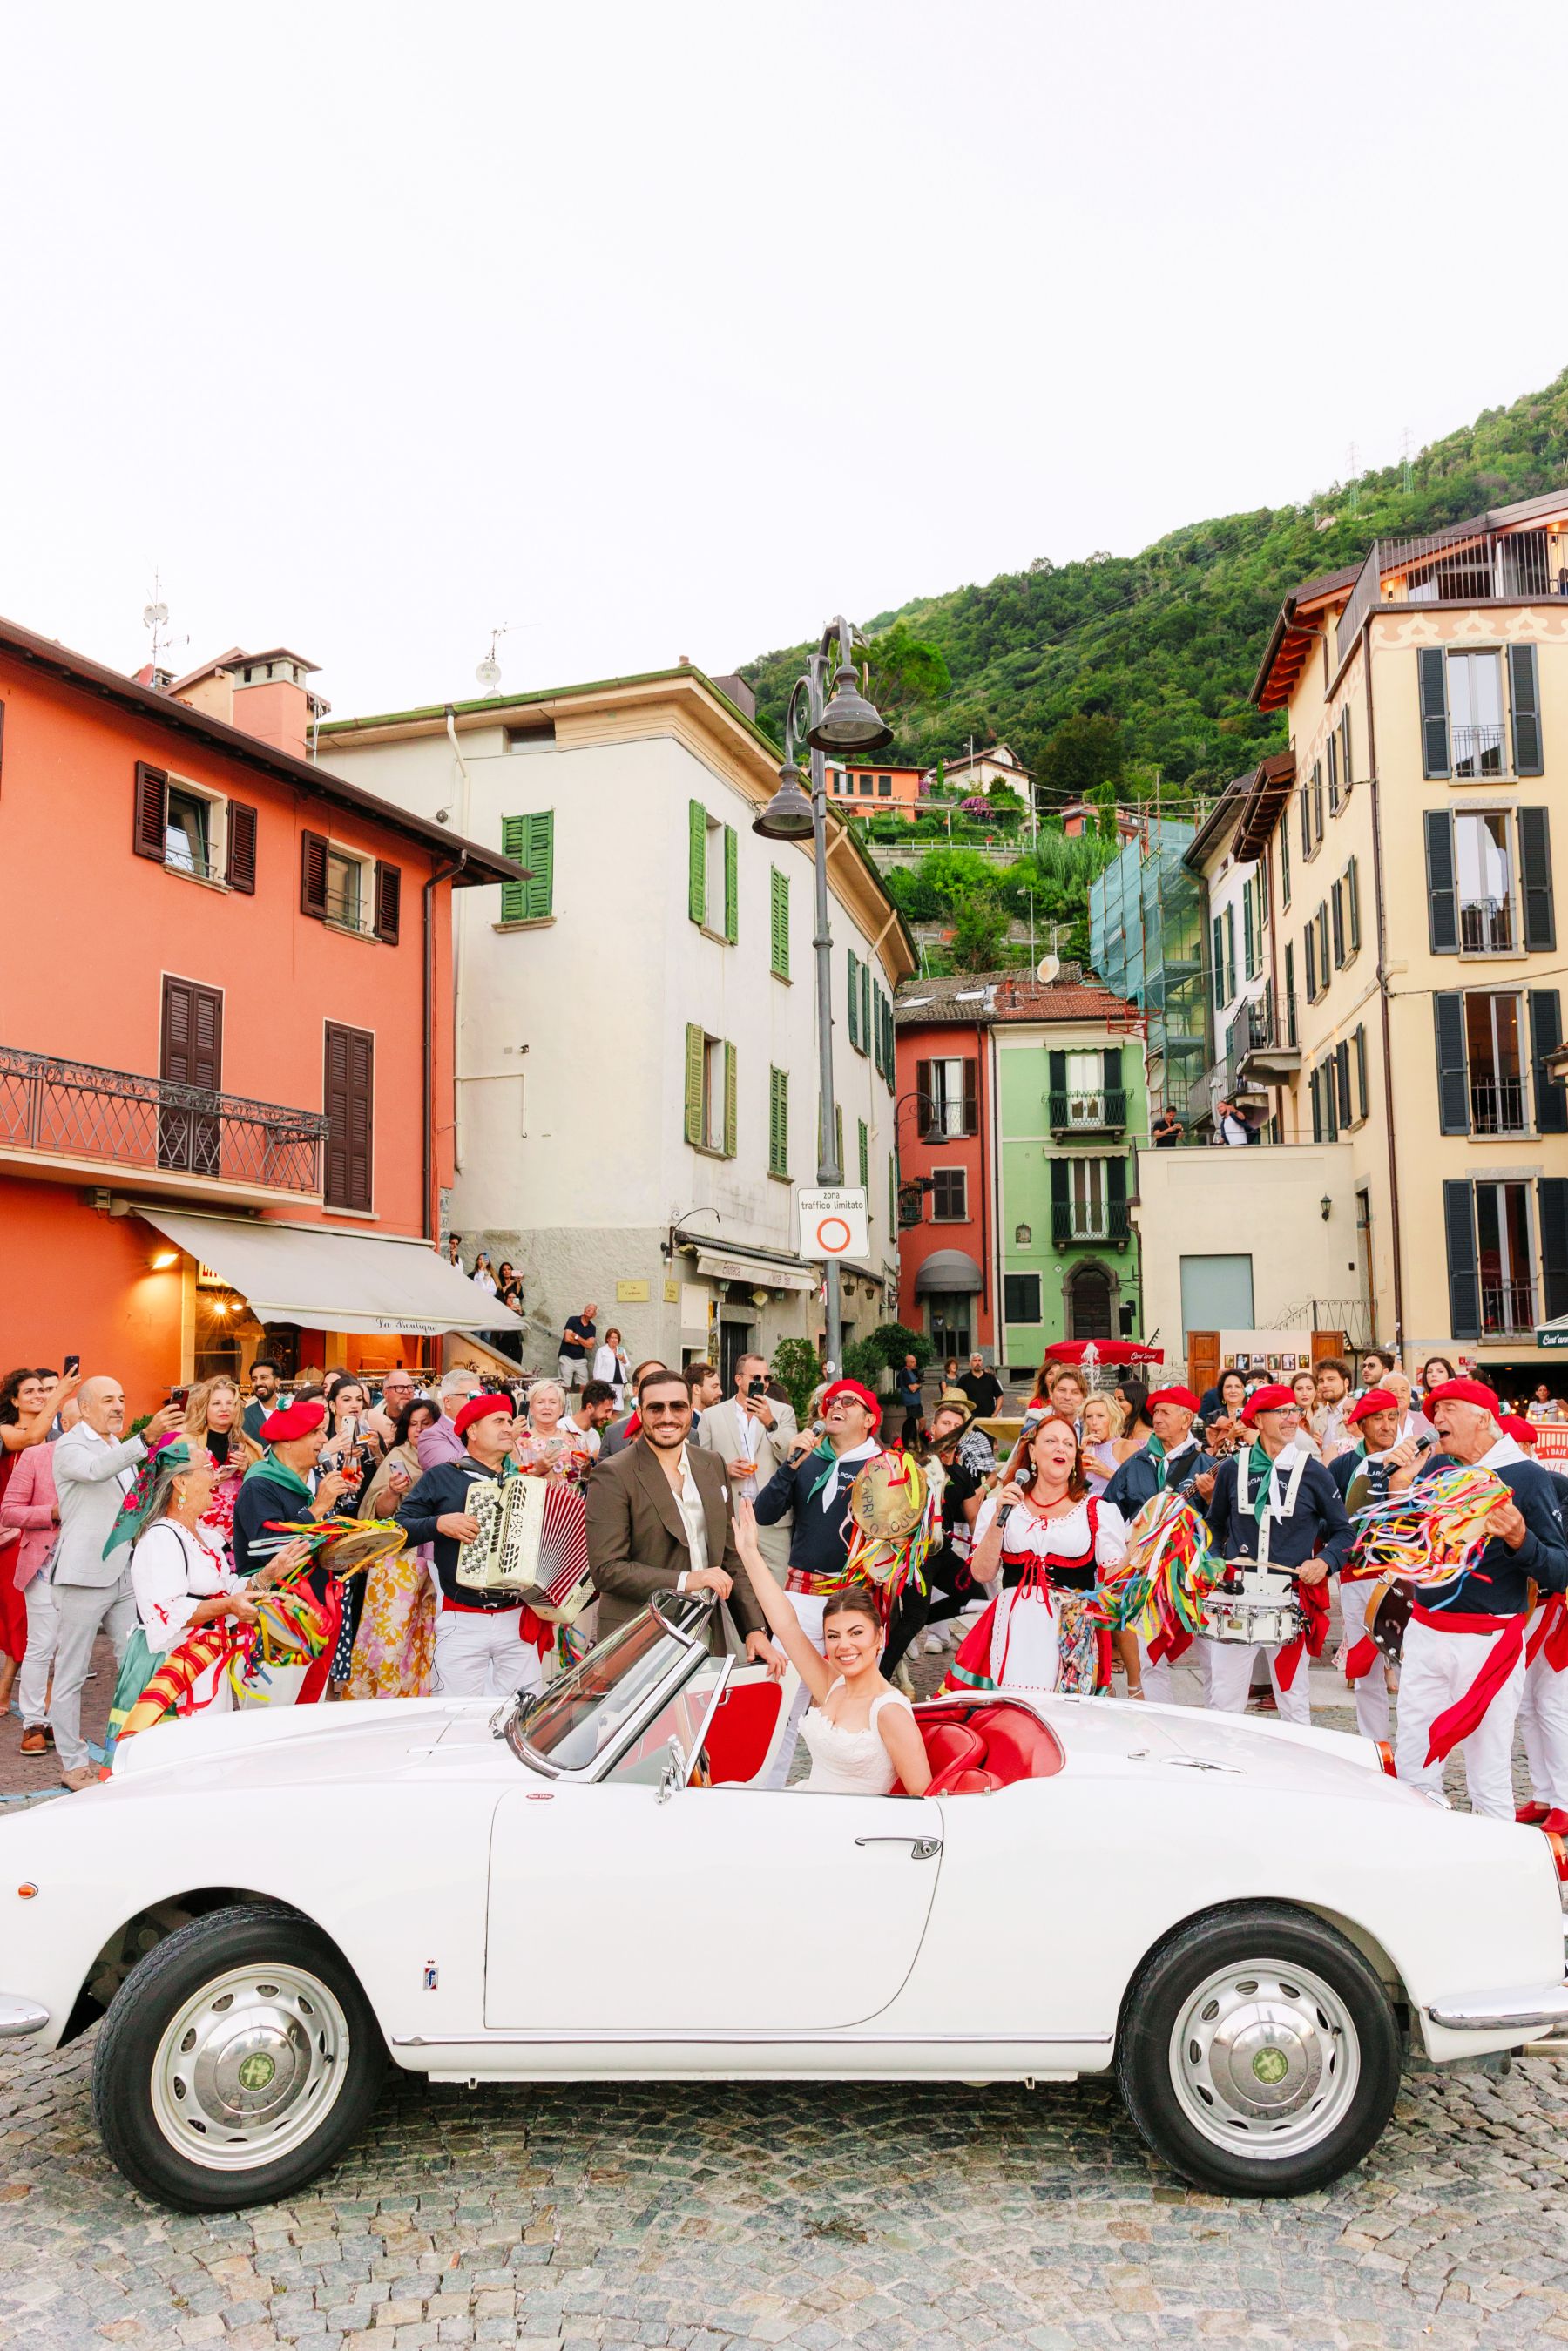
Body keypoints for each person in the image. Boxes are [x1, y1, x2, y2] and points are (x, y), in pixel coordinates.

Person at [1385, 1379, 1568, 1824]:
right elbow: (1405, 1548)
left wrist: (1520, 1539)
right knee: (1413, 1760)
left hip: (1488, 1642)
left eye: (1447, 1409)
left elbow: (1559, 1568)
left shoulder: (1527, 1476)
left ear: (1483, 1417)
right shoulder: (1435, 1470)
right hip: (1426, 1630)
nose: (1436, 1420)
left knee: (1487, 1772)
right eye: (1433, 1411)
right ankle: (1420, 1856)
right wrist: (1397, 1490)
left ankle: (1498, 1876)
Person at [730, 1501, 930, 1795]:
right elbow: (786, 1625)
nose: (844, 1645)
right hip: (810, 1806)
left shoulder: (889, 1711)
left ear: (879, 1637)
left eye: (856, 1633)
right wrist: (748, 1552)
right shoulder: (832, 1687)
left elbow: (923, 1798)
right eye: (833, 1636)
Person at [47, 1376, 186, 1789]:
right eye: (108, 1400)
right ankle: (73, 1763)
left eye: (122, 1399)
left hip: (124, 1573)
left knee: (137, 1661)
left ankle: (136, 1748)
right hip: (82, 1575)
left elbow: (131, 1500)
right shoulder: (72, 1446)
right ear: (84, 1407)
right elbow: (93, 1473)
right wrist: (146, 1439)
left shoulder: (117, 1446)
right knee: (71, 1673)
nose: (118, 1406)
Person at [585, 1368, 773, 1661]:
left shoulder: (711, 1464)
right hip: (639, 1636)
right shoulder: (612, 1474)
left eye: (678, 1407)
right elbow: (607, 1571)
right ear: (641, 1412)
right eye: (656, 1408)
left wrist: (753, 1628)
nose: (667, 1417)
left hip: (704, 1634)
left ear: (690, 1410)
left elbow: (730, 1556)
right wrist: (688, 1580)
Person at [753, 1379, 886, 1785]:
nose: (836, 1406)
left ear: (869, 1419)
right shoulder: (808, 1460)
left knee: (854, 1704)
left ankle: (858, 1788)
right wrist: (790, 1462)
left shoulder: (884, 1469)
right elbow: (764, 1513)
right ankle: (767, 1791)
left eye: (849, 1401)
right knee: (781, 1705)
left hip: (853, 1602)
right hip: (799, 1597)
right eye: (831, 1401)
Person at [103, 1437, 273, 1748]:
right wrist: (229, 1605)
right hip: (173, 1666)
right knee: (177, 1754)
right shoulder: (161, 1539)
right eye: (207, 1468)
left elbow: (227, 1590)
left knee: (207, 1749)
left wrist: (268, 1575)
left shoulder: (205, 1537)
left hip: (204, 1661)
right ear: (181, 1482)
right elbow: (168, 1611)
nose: (216, 1474)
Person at [1201, 1383, 1354, 1725]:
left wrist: (1325, 1562)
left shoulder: (1313, 1471)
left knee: (1293, 1697)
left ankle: (1296, 1775)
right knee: (1224, 1698)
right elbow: (1215, 1525)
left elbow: (1345, 1532)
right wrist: (1211, 1560)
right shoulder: (1231, 1469)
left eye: (1294, 1412)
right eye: (1281, 1412)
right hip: (1236, 1596)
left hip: (1289, 1598)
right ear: (1258, 1419)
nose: (1291, 1419)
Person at [949, 1412, 1128, 1696]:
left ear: (1075, 1457)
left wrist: (1141, 1547)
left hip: (1073, 1629)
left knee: (1068, 1723)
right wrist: (999, 1518)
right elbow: (982, 1573)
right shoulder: (1004, 1506)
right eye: (1051, 1441)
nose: (1061, 1448)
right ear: (1032, 1451)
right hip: (1014, 1628)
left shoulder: (1097, 1511)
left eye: (1069, 1444)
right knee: (1010, 1716)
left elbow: (1116, 1581)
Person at [394, 1395, 549, 1699]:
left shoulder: (522, 1482)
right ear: (473, 1432)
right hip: (461, 1619)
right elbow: (400, 1527)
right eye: (499, 1421)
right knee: (454, 1715)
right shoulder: (442, 1476)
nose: (508, 1428)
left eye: (509, 1421)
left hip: (517, 1618)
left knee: (523, 1715)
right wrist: (438, 1524)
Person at [0, 1390, 80, 1753]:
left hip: (90, 1571)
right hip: (45, 1567)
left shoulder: (114, 1459)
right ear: (65, 1423)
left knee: (74, 1652)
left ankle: (63, 1724)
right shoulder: (35, 1456)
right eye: (79, 1423)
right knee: (41, 1646)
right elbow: (9, 1512)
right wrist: (52, 1513)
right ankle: (33, 1722)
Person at [882, 1396, 984, 1675]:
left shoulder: (961, 1474)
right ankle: (881, 1676)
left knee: (977, 1597)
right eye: (945, 1423)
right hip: (916, 1554)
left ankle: (909, 1622)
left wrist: (979, 1551)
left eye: (956, 1425)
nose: (950, 1428)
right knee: (914, 1618)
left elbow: (973, 1516)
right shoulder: (912, 1463)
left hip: (944, 1552)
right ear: (935, 1427)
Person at [693, 1353, 800, 1573]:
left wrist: (770, 1423)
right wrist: (726, 1470)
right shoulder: (712, 1416)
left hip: (772, 1519)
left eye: (766, 1378)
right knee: (737, 1588)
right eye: (756, 1378)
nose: (762, 1383)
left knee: (778, 1586)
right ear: (738, 1379)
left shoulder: (782, 1412)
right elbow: (699, 1467)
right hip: (731, 1517)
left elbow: (792, 1459)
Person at [231, 1399, 351, 1582]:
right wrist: (317, 1508)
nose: (325, 1439)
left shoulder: (319, 1484)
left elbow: (319, 1551)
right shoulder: (258, 1487)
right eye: (314, 1432)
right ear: (287, 1439)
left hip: (317, 1601)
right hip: (274, 1605)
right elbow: (270, 1552)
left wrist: (349, 1555)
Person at [598, 1361, 667, 1459]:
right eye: (650, 1382)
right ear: (635, 1391)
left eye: (663, 1382)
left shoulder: (687, 1434)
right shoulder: (613, 1434)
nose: (657, 1388)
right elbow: (601, 1473)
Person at [417, 1367, 483, 1469]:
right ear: (448, 1402)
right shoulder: (431, 1436)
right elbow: (453, 1471)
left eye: (480, 1395)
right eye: (471, 1395)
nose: (478, 1401)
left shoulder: (481, 1428)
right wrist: (493, 1442)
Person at [1080, 1393, 1130, 1497]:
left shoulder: (1126, 1446)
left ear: (1113, 1418)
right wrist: (1078, 1454)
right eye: (1089, 1416)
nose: (1094, 1422)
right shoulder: (1085, 1448)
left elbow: (1136, 1490)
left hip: (1114, 1510)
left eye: (1100, 1416)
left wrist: (1105, 1472)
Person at [563, 1379, 618, 1463]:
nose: (609, 1417)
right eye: (606, 1411)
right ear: (589, 1407)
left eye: (611, 1412)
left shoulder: (594, 1435)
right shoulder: (561, 1428)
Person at [1311, 1358, 1354, 1461]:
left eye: (1331, 1379)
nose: (1325, 1385)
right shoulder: (1316, 1419)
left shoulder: (1358, 1412)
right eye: (1321, 1381)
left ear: (1346, 1382)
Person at [363, 1368, 416, 1451]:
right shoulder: (368, 1422)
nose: (406, 1392)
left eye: (410, 1387)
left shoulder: (424, 1419)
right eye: (399, 1387)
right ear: (385, 1393)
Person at [558, 1302, 598, 1390]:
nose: (588, 1309)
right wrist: (585, 1342)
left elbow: (590, 1346)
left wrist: (577, 1337)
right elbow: (567, 1338)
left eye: (591, 1309)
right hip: (567, 1357)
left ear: (594, 1315)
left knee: (584, 1386)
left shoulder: (592, 1328)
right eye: (587, 1307)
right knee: (565, 1386)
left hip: (580, 1360)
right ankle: (565, 1403)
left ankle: (581, 1404)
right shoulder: (573, 1320)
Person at [241, 1359, 284, 1442]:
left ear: (277, 1382)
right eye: (254, 1379)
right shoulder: (245, 1416)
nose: (258, 1383)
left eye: (264, 1378)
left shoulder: (292, 1409)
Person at [591, 1326, 632, 1405]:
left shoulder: (621, 1350)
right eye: (612, 1337)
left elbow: (628, 1367)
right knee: (607, 1407)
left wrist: (623, 1359)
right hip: (607, 1385)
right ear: (607, 1339)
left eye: (616, 1338)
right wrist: (598, 1385)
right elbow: (597, 1369)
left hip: (620, 1384)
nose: (614, 1340)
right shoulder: (602, 1351)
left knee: (618, 1409)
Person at [957, 1352, 1004, 1418]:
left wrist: (995, 1413)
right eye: (974, 1361)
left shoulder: (990, 1378)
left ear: (982, 1363)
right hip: (970, 1419)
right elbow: (958, 1399)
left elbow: (1000, 1396)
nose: (977, 1363)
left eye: (979, 1360)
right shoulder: (964, 1379)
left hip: (989, 1418)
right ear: (970, 1364)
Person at [894, 1353, 925, 1448]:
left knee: (915, 1423)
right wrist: (919, 1385)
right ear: (907, 1363)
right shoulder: (905, 1373)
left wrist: (917, 1384)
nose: (915, 1363)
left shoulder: (911, 1371)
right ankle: (917, 1441)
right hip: (911, 1402)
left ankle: (916, 1441)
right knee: (919, 1421)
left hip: (915, 1401)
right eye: (912, 1362)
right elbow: (912, 1388)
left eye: (915, 1361)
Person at [685, 1361, 723, 1425]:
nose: (720, 1392)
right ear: (696, 1389)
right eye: (714, 1387)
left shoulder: (714, 1419)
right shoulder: (687, 1424)